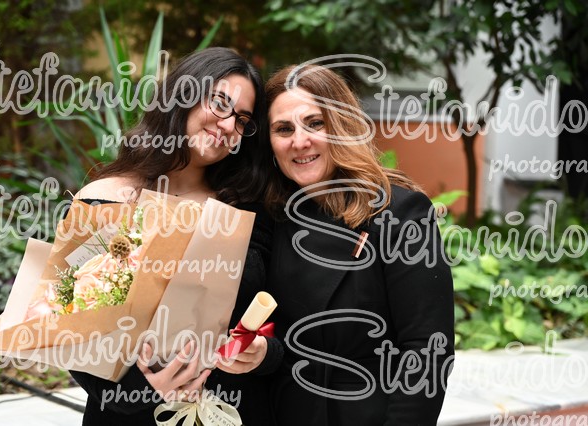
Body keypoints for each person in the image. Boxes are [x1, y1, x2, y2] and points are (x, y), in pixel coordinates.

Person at [69, 47, 282, 426]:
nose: (228, 125)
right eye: (220, 103)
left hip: (233, 412)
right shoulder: (104, 199)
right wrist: (139, 389)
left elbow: (285, 316)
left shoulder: (249, 208)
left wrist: (265, 352)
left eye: (242, 120)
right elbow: (68, 332)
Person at [262, 64, 455, 425]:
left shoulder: (399, 214)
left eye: (315, 123)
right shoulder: (272, 217)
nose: (299, 141)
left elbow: (427, 350)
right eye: (283, 129)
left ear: (342, 127)